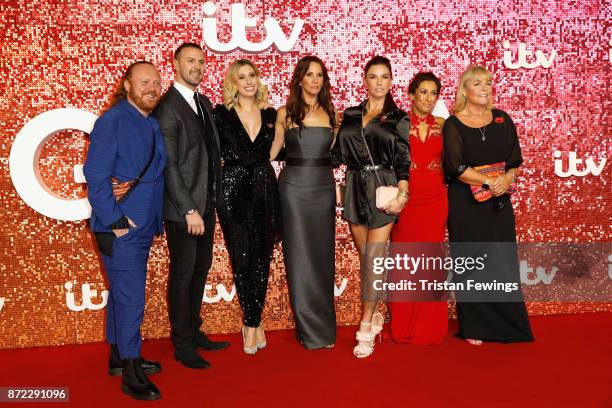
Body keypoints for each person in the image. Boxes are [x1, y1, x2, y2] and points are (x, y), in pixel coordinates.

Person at [84, 60, 166, 400]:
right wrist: (116, 221)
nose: (151, 88)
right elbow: (95, 175)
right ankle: (131, 371)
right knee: (131, 299)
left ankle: (118, 355)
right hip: (120, 230)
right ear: (128, 85)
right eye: (144, 81)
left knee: (122, 295)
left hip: (143, 226)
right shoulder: (113, 120)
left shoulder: (149, 122)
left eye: (156, 82)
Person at [443, 65, 534, 345]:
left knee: (501, 260)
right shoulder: (453, 124)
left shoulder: (502, 120)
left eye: (488, 82)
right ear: (465, 90)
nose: (485, 87)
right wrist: (487, 182)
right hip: (466, 204)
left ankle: (508, 324)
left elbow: (514, 160)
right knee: (471, 263)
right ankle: (475, 326)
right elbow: (455, 166)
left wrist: (506, 179)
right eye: (478, 83)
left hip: (499, 203)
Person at [154, 42, 229, 369]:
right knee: (183, 275)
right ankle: (182, 345)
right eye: (190, 61)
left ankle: (193, 330)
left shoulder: (203, 102)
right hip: (184, 210)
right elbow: (169, 165)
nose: (196, 66)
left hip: (206, 205)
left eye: (200, 61)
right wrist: (188, 209)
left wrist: (208, 203)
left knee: (200, 270)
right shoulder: (167, 107)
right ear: (175, 64)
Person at [331, 56, 411, 358]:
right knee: (367, 259)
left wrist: (402, 193)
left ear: (391, 82)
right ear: (365, 79)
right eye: (374, 77)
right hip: (354, 186)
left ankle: (365, 324)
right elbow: (337, 153)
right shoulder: (350, 113)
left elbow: (404, 160)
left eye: (385, 77)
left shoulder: (398, 116)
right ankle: (376, 313)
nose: (379, 82)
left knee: (375, 259)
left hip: (384, 188)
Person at [213, 59, 280, 355]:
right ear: (233, 82)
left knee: (262, 258)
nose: (249, 81)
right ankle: (250, 322)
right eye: (242, 77)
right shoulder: (221, 115)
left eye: (252, 75)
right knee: (241, 258)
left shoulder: (270, 114)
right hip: (232, 189)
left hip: (265, 187)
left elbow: (275, 149)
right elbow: (211, 152)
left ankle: (255, 322)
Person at [270, 56, 338, 349]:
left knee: (322, 258)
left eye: (319, 75)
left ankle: (323, 329)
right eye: (309, 74)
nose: (314, 80)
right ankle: (309, 331)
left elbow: (332, 156)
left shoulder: (333, 114)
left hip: (322, 189)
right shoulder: (285, 113)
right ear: (299, 79)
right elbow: (272, 152)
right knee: (299, 258)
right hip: (294, 191)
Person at [387, 72, 448, 345]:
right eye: (422, 92)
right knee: (404, 262)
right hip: (406, 200)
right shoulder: (397, 124)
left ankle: (429, 326)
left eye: (433, 93)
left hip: (436, 200)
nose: (428, 98)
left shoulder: (446, 125)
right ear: (411, 95)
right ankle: (402, 325)